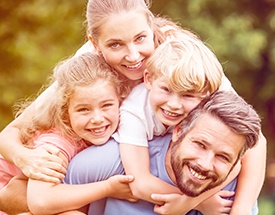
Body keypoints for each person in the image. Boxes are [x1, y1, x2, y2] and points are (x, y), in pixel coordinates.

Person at [0, 0, 266, 214]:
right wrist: (26, 158)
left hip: (97, 175)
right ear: (96, 44)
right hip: (44, 173)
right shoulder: (87, 72)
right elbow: (10, 134)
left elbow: (251, 139)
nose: (133, 56)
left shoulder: (183, 63)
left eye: (140, 39)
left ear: (151, 27)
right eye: (115, 44)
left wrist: (227, 207)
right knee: (20, 196)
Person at [65, 90, 261, 215]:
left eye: (223, 156)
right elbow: (42, 203)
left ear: (237, 161)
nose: (205, 164)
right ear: (178, 131)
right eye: (200, 144)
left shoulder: (235, 196)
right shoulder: (116, 160)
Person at [0, 53, 136, 215]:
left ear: (120, 102)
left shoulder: (124, 123)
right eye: (83, 110)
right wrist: (108, 188)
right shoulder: (56, 143)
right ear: (65, 113)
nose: (97, 119)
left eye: (106, 105)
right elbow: (42, 202)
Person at [112, 31, 224, 206]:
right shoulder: (134, 111)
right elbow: (139, 184)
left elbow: (239, 160)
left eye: (187, 96)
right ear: (149, 80)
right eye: (166, 90)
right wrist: (199, 202)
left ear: (206, 97)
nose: (174, 104)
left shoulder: (206, 108)